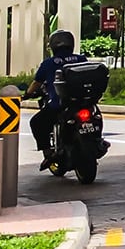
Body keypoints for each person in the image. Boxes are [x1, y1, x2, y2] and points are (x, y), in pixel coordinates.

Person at [25, 29, 89, 169]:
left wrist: (27, 94)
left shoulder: (49, 63)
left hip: (59, 105)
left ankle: (48, 154)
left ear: (53, 46)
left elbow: (37, 83)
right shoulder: (81, 59)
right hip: (83, 102)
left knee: (36, 122)